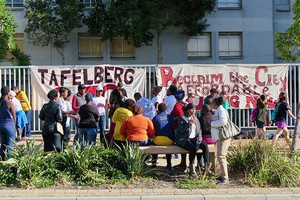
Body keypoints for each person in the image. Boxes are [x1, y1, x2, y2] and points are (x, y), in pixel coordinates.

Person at [175, 103, 210, 177]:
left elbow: (199, 129)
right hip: (183, 139)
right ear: (188, 110)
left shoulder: (196, 118)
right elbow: (180, 130)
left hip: (194, 138)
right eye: (191, 109)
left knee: (205, 146)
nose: (193, 111)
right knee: (192, 149)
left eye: (194, 109)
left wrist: (200, 137)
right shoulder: (183, 118)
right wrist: (189, 124)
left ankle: (207, 167)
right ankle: (192, 169)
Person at [211, 96, 230, 184]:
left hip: (223, 137)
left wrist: (212, 123)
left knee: (221, 156)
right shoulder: (219, 109)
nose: (211, 104)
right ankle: (222, 175)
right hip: (220, 137)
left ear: (215, 104)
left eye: (212, 103)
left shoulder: (221, 110)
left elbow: (223, 121)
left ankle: (225, 178)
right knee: (220, 156)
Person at [152, 103, 175, 169]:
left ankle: (153, 164)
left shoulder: (155, 118)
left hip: (158, 141)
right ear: (166, 109)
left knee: (154, 145)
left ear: (158, 109)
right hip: (169, 140)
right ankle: (169, 164)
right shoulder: (170, 117)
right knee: (167, 148)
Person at [0, 86, 16, 161]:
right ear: (8, 93)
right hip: (9, 125)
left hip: (1, 125)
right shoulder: (9, 102)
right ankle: (10, 163)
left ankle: (2, 161)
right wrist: (15, 125)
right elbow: (14, 116)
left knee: (3, 145)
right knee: (10, 146)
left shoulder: (1, 102)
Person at [170, 90, 187, 162]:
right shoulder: (185, 104)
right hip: (185, 126)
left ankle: (176, 154)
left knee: (177, 140)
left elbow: (181, 116)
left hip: (178, 126)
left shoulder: (177, 106)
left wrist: (174, 118)